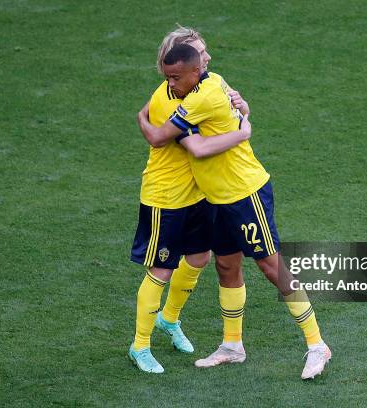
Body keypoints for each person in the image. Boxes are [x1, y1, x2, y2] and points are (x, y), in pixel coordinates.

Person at [137, 44, 332, 380]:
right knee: (226, 266)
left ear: (195, 72)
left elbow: (173, 141)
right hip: (216, 198)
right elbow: (237, 107)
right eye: (168, 77)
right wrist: (243, 118)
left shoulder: (199, 97)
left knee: (272, 268)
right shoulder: (207, 85)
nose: (171, 83)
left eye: (176, 77)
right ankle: (232, 346)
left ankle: (317, 345)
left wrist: (141, 117)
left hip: (244, 193)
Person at [128, 27, 251, 374]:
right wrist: (242, 130)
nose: (207, 57)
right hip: (165, 196)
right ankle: (140, 346)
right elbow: (192, 144)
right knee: (162, 269)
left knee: (198, 257)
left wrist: (241, 106)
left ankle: (170, 319)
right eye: (200, 52)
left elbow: (233, 106)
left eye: (205, 51)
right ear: (181, 64)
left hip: (198, 192)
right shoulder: (172, 98)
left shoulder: (205, 84)